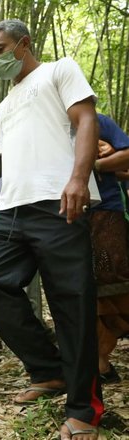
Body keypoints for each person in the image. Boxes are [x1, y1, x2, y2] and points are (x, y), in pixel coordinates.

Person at [0, 19, 103, 440]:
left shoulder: (59, 69)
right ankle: (49, 370)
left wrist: (79, 178)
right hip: (10, 208)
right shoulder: (3, 105)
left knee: (71, 303)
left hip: (58, 200)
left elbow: (86, 120)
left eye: (1, 48)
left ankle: (84, 410)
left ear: (24, 44)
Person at [90, 114, 129, 384]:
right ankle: (100, 361)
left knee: (111, 281)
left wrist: (93, 164)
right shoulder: (42, 125)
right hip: (65, 219)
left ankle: (102, 358)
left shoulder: (96, 121)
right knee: (85, 288)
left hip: (105, 215)